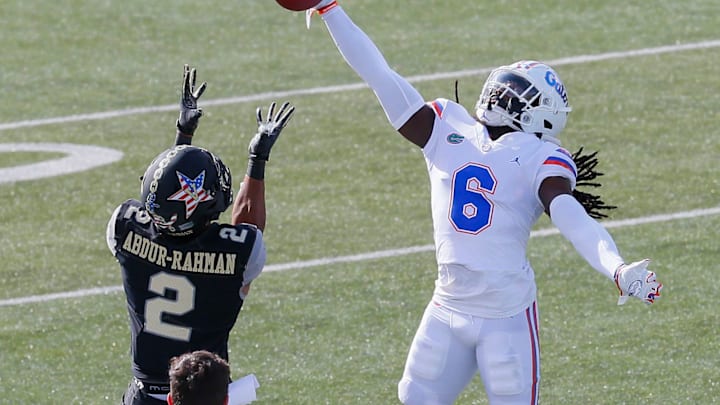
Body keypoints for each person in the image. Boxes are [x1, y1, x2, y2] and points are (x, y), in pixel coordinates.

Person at [299, 2, 664, 404]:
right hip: (452, 303)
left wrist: (329, 9)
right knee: (413, 398)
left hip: (501, 314)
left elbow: (378, 73)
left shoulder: (457, 131)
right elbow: (572, 217)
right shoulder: (472, 133)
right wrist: (616, 267)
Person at [106, 64, 295, 405]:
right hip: (205, 396)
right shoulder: (237, 254)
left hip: (144, 396)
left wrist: (183, 136)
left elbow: (161, 209)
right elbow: (247, 230)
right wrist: (257, 158)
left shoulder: (124, 230)